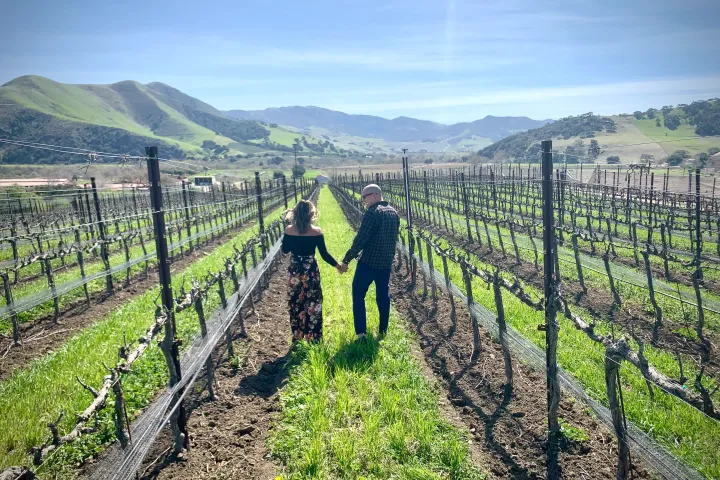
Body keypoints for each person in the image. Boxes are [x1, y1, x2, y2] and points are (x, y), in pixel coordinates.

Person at [338, 184, 400, 341]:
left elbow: (361, 240)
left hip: (368, 263)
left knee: (358, 294)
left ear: (374, 196)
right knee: (383, 296)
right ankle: (383, 331)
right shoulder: (394, 213)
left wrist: (346, 260)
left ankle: (361, 334)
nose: (363, 201)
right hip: (386, 263)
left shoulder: (373, 213)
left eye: (364, 197)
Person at [281, 200, 342, 342]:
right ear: (311, 215)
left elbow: (285, 250)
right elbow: (324, 255)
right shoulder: (316, 232)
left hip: (295, 271)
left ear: (294, 213)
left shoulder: (289, 230)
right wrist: (338, 266)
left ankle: (298, 337)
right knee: (313, 302)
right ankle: (314, 338)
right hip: (311, 272)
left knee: (295, 302)